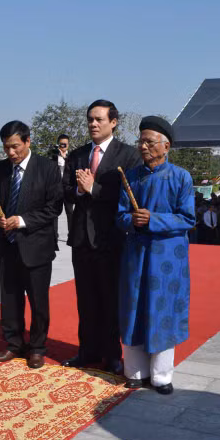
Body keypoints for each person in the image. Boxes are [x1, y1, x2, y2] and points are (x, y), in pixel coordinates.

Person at [116, 116, 195, 395]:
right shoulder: (132, 177)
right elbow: (121, 216)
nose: (144, 146)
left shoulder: (181, 177)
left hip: (167, 260)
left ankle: (161, 375)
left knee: (162, 311)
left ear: (166, 146)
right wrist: (132, 220)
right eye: (141, 141)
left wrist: (152, 219)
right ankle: (135, 371)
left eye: (150, 142)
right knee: (135, 309)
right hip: (137, 255)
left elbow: (187, 218)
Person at [61, 99, 141, 374]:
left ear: (114, 122)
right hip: (82, 238)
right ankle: (87, 351)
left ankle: (112, 354)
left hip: (111, 239)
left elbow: (127, 197)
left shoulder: (128, 156)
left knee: (110, 299)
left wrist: (94, 188)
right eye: (90, 120)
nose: (93, 124)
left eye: (99, 120)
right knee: (86, 299)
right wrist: (81, 191)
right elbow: (66, 190)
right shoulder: (78, 155)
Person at [0, 121, 62, 368]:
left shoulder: (47, 168)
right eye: (6, 148)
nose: (11, 153)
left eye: (15, 147)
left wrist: (22, 221)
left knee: (38, 302)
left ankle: (37, 347)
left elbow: (53, 208)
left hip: (36, 246)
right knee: (9, 299)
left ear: (28, 141)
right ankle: (13, 343)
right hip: (7, 245)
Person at [52, 134, 73, 237]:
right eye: (61, 144)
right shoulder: (53, 156)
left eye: (65, 144)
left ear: (68, 145)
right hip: (56, 188)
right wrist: (57, 156)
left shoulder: (72, 156)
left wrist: (65, 158)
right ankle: (54, 234)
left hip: (67, 188)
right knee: (55, 212)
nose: (63, 146)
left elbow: (72, 169)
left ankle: (71, 233)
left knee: (70, 212)